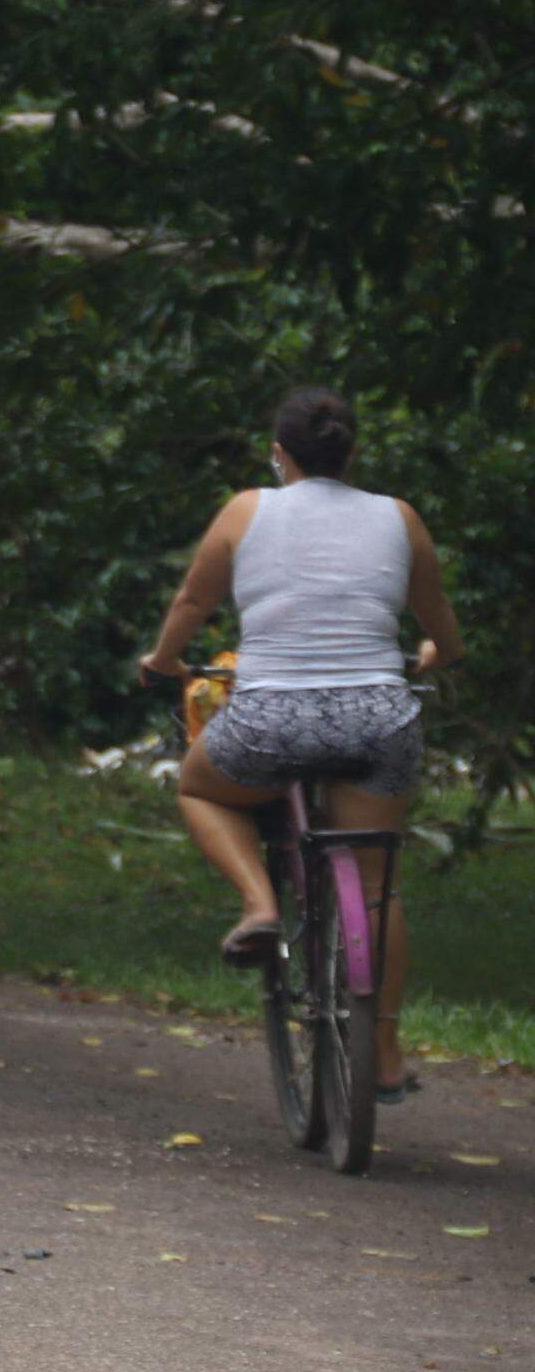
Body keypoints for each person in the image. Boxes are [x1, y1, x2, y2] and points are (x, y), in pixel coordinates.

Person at [139, 385, 461, 1096]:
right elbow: (438, 620)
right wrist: (438, 650)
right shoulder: (397, 517)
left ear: (279, 453)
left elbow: (194, 601)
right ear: (352, 452)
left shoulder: (247, 509)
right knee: (378, 885)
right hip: (378, 720)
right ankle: (383, 1052)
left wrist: (164, 662)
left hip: (271, 720)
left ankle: (258, 905)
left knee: (199, 787)